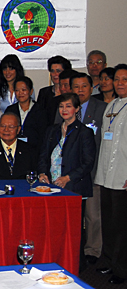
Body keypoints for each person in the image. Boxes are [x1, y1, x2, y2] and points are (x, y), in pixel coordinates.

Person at [38, 93, 96, 271]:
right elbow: (43, 155)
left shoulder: (84, 132)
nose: (64, 110)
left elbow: (88, 163)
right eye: (61, 106)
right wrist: (42, 172)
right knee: (54, 227)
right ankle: (55, 261)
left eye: (68, 106)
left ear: (77, 109)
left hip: (73, 186)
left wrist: (68, 178)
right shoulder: (52, 130)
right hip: (52, 187)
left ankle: (76, 265)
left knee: (73, 229)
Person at [65, 74, 106, 265]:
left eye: (84, 86)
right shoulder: (65, 107)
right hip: (68, 173)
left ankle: (93, 250)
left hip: (93, 169)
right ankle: (73, 249)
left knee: (92, 215)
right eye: (76, 86)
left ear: (92, 88)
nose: (80, 90)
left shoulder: (102, 108)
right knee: (72, 216)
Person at [94, 64, 127, 284]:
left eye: (125, 79)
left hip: (123, 175)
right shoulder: (111, 105)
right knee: (108, 222)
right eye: (117, 79)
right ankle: (108, 260)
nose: (120, 83)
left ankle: (121, 269)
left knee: (122, 225)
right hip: (106, 174)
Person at [4, 76, 49, 161]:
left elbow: (43, 136)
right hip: (13, 153)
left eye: (23, 90)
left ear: (31, 91)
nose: (20, 93)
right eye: (17, 90)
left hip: (34, 153)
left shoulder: (40, 110)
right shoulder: (10, 110)